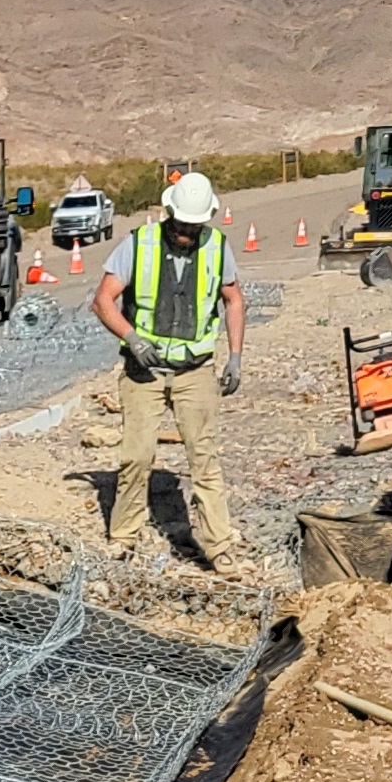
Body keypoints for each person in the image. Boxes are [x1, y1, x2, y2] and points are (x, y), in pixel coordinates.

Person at [91, 170, 247, 561]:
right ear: (168, 213)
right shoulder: (139, 245)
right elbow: (103, 300)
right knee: (137, 457)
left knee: (204, 458)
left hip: (195, 371)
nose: (186, 232)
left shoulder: (216, 247)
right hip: (144, 373)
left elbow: (234, 300)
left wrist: (237, 356)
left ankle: (219, 546)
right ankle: (123, 535)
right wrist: (132, 338)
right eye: (181, 224)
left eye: (194, 226)